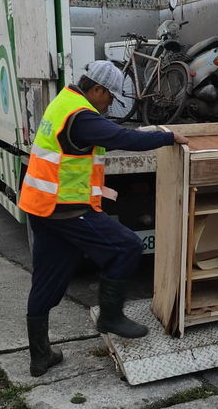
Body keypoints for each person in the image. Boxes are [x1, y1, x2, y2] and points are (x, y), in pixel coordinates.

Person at [18, 60, 189, 377]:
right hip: (66, 209)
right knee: (126, 247)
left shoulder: (64, 102)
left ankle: (40, 357)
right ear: (97, 90)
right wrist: (168, 137)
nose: (110, 104)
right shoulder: (81, 116)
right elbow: (125, 139)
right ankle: (111, 316)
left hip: (42, 207)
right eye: (110, 97)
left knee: (47, 281)